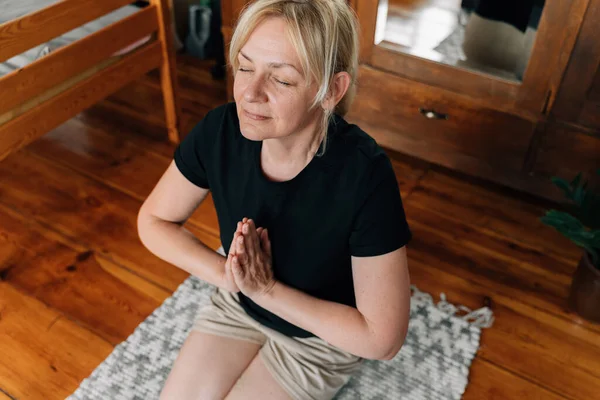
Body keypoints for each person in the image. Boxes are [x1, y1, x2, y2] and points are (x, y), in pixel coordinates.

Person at [137, 0, 412, 399]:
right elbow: (153, 222)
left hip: (318, 339)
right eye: (245, 67)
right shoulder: (219, 130)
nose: (250, 93)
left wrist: (266, 290)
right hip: (240, 307)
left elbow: (381, 341)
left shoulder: (365, 175)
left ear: (331, 90)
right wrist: (228, 277)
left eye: (280, 79)